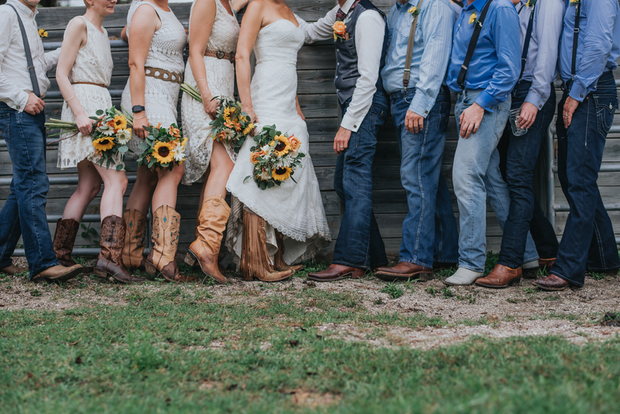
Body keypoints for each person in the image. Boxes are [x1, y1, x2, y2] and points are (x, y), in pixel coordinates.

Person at [225, 0, 331, 282]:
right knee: (261, 167)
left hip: (287, 100)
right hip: (266, 96)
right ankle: (255, 259)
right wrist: (246, 105)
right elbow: (241, 54)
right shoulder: (257, 5)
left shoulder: (290, 13)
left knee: (286, 169)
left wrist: (295, 102)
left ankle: (277, 255)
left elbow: (295, 55)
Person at [443, 0, 540, 286]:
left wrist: (480, 105)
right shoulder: (467, 10)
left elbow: (509, 69)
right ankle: (526, 253)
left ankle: (471, 261)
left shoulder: (500, 9)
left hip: (486, 103)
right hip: (467, 100)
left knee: (466, 175)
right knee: (492, 178)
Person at [475, 0, 564, 288]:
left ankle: (510, 262)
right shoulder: (516, 7)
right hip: (511, 94)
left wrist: (535, 99)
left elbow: (548, 53)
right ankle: (548, 250)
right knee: (509, 173)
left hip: (531, 93)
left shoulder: (547, 4)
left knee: (517, 174)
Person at [54, 0, 143, 284]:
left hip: (102, 109)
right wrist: (80, 113)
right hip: (85, 111)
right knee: (117, 181)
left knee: (90, 185)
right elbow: (61, 73)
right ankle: (109, 258)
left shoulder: (103, 33)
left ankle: (60, 254)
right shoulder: (78, 24)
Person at [301, 0, 390, 282]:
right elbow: (309, 32)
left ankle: (349, 260)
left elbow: (368, 79)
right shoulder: (339, 14)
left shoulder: (367, 17)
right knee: (344, 182)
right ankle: (375, 258)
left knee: (354, 178)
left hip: (365, 105)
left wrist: (347, 126)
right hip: (352, 106)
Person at [535, 0, 620, 291]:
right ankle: (605, 257)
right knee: (572, 177)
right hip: (576, 89)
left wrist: (576, 94)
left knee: (580, 181)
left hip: (590, 91)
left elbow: (598, 45)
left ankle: (568, 268)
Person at [373, 0, 456, 282]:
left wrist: (419, 104)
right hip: (400, 100)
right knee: (429, 178)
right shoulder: (397, 11)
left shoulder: (436, 7)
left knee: (415, 175)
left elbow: (435, 60)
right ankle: (444, 253)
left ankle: (416, 258)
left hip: (419, 101)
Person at [0, 0, 83, 282]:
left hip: (29, 109)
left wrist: (73, 46)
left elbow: (34, 65)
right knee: (33, 182)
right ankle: (43, 263)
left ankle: (0, 255)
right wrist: (22, 99)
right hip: (18, 109)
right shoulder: (6, 15)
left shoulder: (29, 18)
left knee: (21, 186)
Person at [120, 0, 193, 282]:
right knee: (173, 168)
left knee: (148, 175)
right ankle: (162, 257)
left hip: (164, 94)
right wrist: (139, 112)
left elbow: (132, 32)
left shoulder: (162, 9)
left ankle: (130, 253)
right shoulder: (146, 8)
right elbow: (135, 62)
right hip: (148, 98)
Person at [181, 0, 247, 284]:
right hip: (203, 89)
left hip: (224, 84)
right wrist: (207, 95)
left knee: (215, 169)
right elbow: (195, 51)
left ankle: (201, 248)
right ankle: (206, 247)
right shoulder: (207, 2)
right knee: (225, 165)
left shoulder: (228, 4)